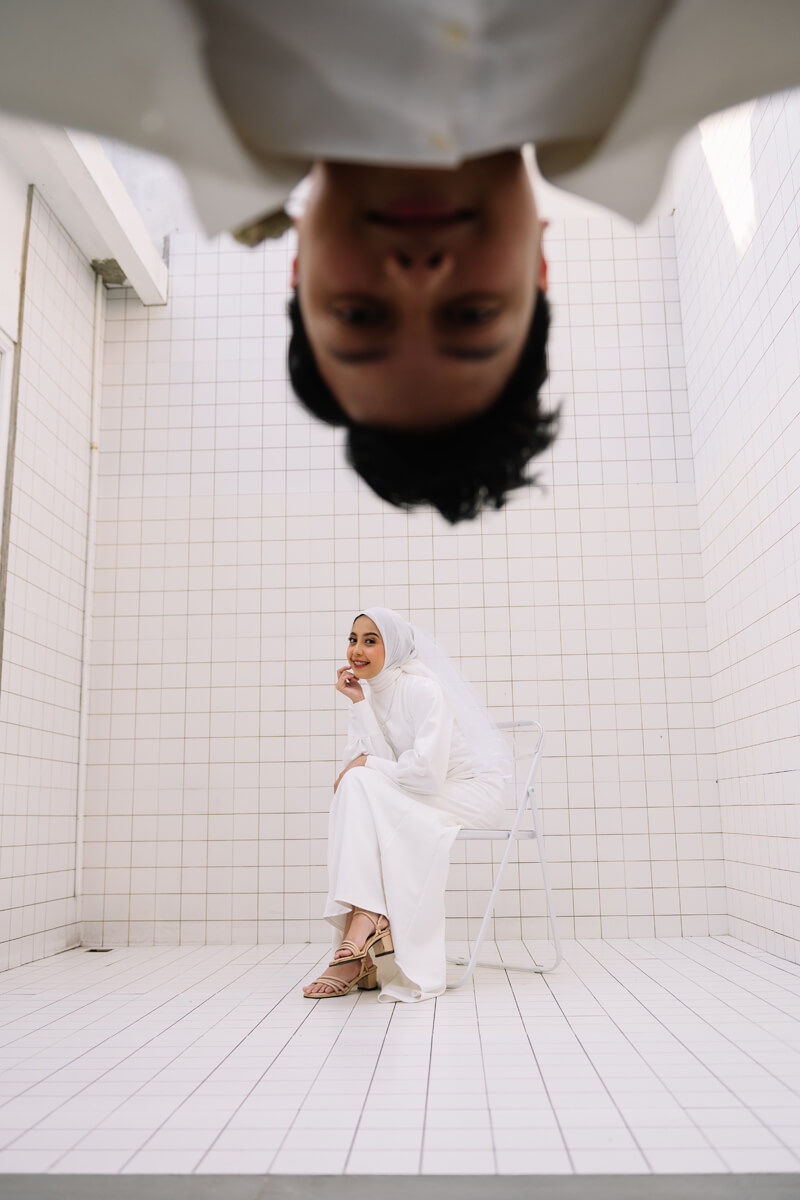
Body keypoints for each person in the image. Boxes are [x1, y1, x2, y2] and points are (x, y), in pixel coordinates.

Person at [2, 1, 799, 520]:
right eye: (471, 315)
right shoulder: (702, 38)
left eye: (360, 316)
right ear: (539, 271)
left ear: (298, 271)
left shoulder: (88, 47)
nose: (418, 276)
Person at [303, 607, 511, 1002]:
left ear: (394, 647)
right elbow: (376, 766)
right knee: (358, 786)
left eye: (370, 641)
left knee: (361, 783)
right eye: (353, 640)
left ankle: (362, 931)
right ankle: (367, 923)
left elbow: (424, 776)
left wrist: (366, 765)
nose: (356, 650)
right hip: (419, 791)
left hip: (466, 792)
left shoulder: (422, 689)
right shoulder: (367, 694)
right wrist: (358, 704)